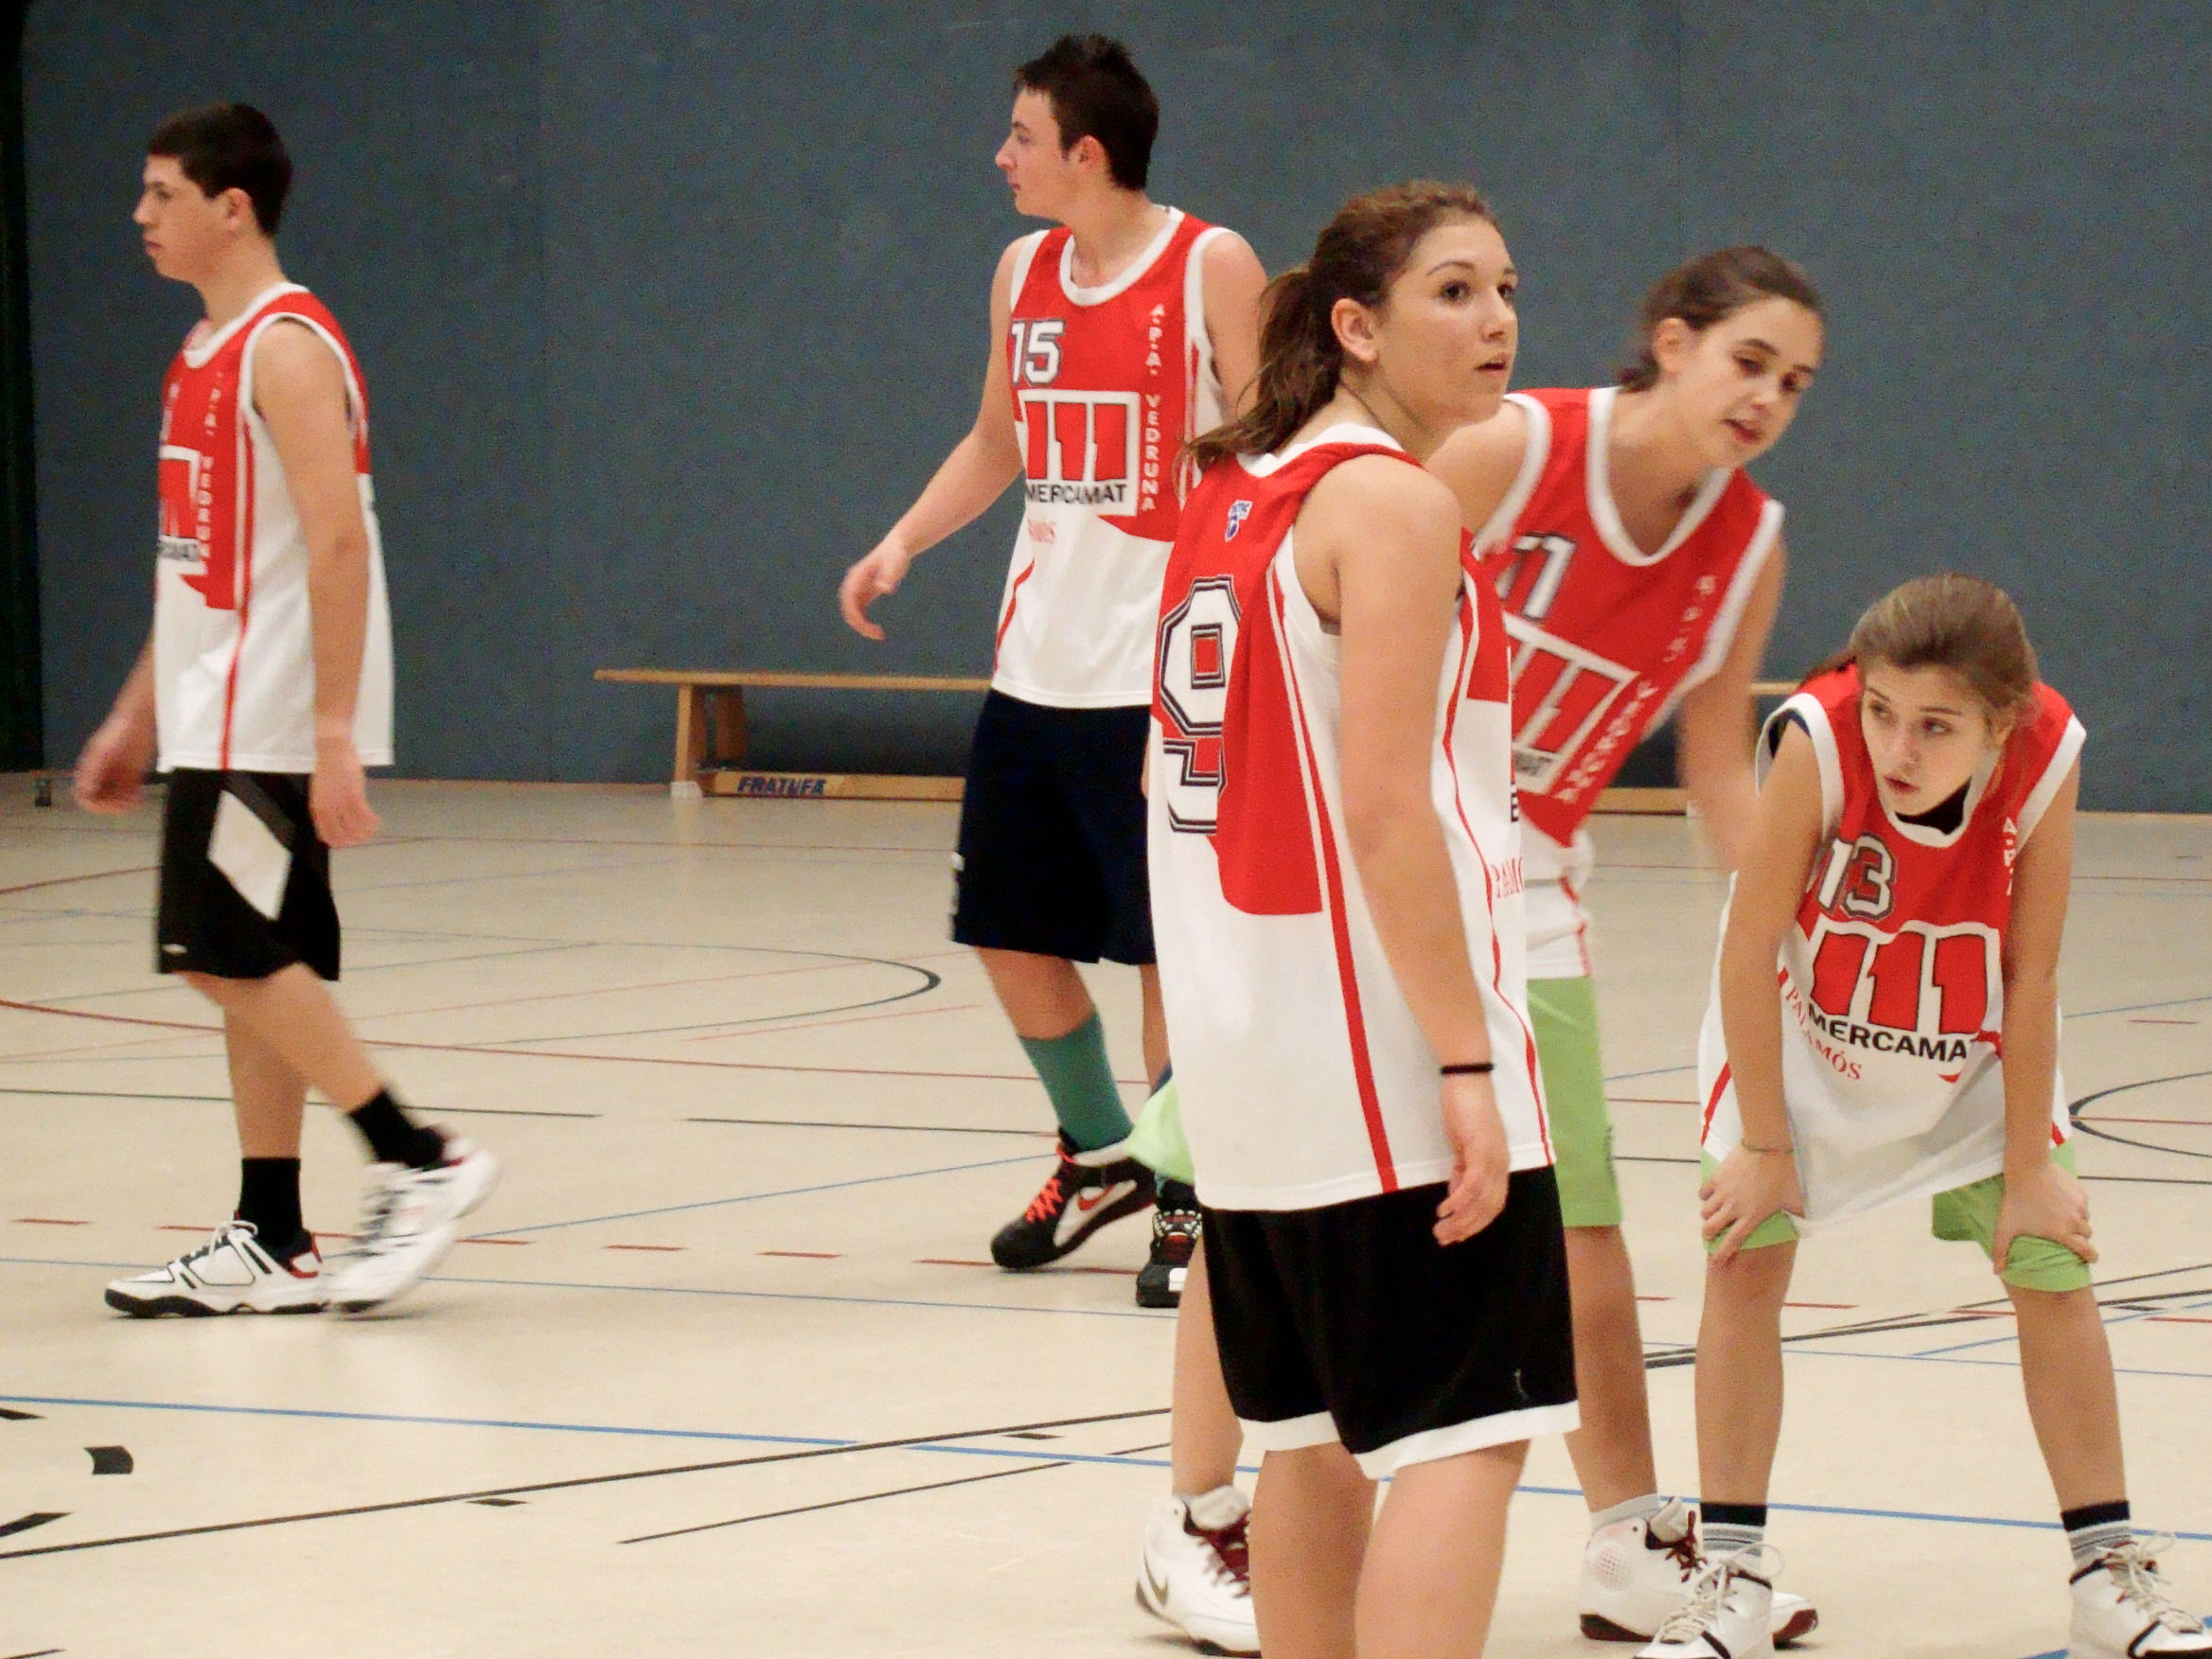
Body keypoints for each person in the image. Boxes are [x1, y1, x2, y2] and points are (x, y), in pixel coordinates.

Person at [1149, 179, 1576, 1659]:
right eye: (1454, 290)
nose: (1497, 318)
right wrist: (1464, 1058)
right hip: (1378, 1059)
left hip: (1249, 1066)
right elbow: (1385, 812)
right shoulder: (1391, 503)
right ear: (1356, 326)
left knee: (1312, 1441)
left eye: (1506, 287)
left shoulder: (1230, 494)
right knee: (1469, 1438)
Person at [1643, 576, 2210, 1659]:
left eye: (1936, 725)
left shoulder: (2048, 752)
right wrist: (1764, 1144)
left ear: (2001, 722)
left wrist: (2031, 1164)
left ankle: (2107, 1572)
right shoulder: (1817, 739)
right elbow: (1748, 947)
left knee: (2051, 1257)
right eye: (1884, 711)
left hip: (1966, 1045)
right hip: (1801, 1036)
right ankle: (1734, 1577)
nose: (1899, 747)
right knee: (1743, 1256)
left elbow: (2031, 973)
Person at [1424, 248, 1824, 1643]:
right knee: (1294, 1208)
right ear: (1671, 341)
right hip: (1376, 856)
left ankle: (1625, 1540)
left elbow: (1716, 771)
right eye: (1749, 361)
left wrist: (1794, 932)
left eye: (1794, 383)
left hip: (1530, 885)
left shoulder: (1748, 542)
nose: (1767, 398)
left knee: (1581, 1228)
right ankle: (1206, 1508)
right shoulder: (1513, 448)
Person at [837, 35, 1263, 1292]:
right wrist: (902, 540)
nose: (1000, 157)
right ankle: (1100, 1150)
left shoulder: (1210, 263)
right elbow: (997, 441)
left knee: (1163, 948)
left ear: (1086, 151)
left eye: (1020, 137)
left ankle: (1191, 1188)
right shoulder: (1021, 271)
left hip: (1163, 674)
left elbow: (1264, 454)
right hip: (1037, 668)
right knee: (1007, 928)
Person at [75, 103, 496, 1318]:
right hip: (212, 709)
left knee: (223, 953)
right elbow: (197, 567)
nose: (141, 215)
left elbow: (336, 547)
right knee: (261, 964)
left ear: (232, 208)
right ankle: (270, 1231)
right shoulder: (203, 352)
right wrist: (137, 715)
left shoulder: (289, 347)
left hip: (267, 715)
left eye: (162, 193)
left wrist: (332, 733)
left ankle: (421, 1157)